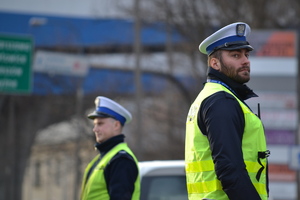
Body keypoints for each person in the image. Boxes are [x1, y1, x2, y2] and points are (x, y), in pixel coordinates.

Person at [185, 22, 269, 200]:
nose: (245, 60)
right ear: (215, 63)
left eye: (246, 54)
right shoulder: (221, 101)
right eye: (235, 55)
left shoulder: (212, 97)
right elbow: (230, 171)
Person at [80, 96, 140, 200]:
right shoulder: (105, 157)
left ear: (116, 125)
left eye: (100, 124)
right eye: (94, 124)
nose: (95, 129)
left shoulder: (121, 159)